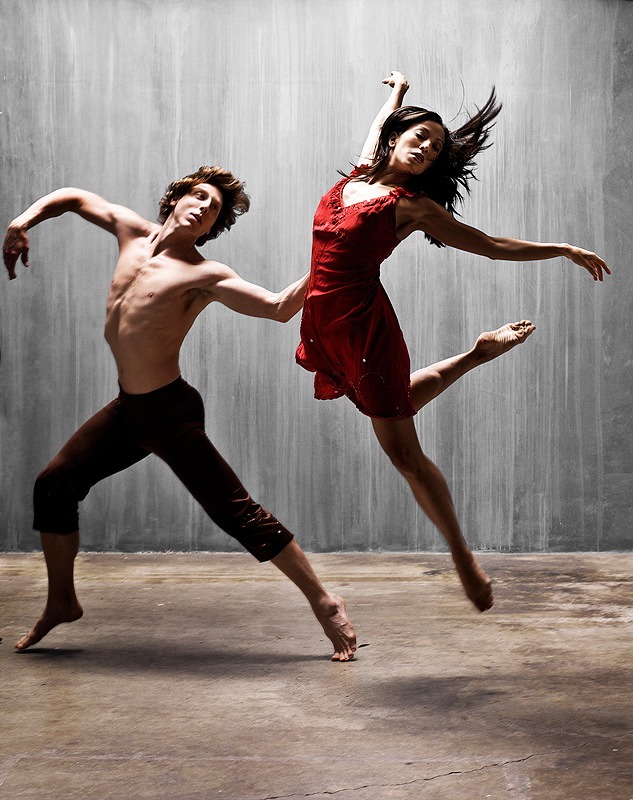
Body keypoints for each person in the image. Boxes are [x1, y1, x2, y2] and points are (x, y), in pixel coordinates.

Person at [3, 165, 357, 661]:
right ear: (176, 198)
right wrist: (22, 221)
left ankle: (325, 601)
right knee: (53, 484)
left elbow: (278, 307)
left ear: (213, 228)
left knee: (237, 514)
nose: (204, 208)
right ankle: (62, 600)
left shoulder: (204, 275)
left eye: (214, 210)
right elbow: (74, 197)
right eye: (199, 196)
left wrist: (332, 256)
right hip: (129, 409)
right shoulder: (130, 231)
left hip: (170, 413)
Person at [296, 73, 611, 612]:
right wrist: (397, 93)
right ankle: (476, 353)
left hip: (363, 330)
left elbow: (489, 245)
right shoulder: (360, 172)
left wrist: (561, 249)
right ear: (395, 138)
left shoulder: (412, 207)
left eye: (437, 148)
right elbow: (378, 125)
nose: (426, 148)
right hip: (323, 325)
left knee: (404, 454)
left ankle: (462, 556)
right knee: (394, 404)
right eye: (420, 136)